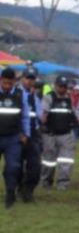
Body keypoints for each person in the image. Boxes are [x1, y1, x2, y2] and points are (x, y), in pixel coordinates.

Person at [40, 75, 77, 190]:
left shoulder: (68, 99)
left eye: (65, 87)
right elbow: (43, 113)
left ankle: (63, 183)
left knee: (66, 159)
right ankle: (46, 181)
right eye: (61, 86)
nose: (63, 89)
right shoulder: (48, 97)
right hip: (50, 134)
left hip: (66, 134)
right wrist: (43, 120)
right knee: (48, 161)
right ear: (55, 86)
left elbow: (73, 113)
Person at [0, 67, 30, 208]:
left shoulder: (20, 94)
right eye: (4, 83)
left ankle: (10, 194)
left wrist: (26, 134)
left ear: (13, 82)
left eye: (9, 83)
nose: (7, 86)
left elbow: (25, 117)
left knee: (13, 167)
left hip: (13, 138)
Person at [16, 67, 42, 202]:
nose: (30, 81)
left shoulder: (34, 96)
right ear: (22, 79)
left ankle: (28, 190)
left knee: (35, 166)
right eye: (28, 78)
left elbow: (39, 115)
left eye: (32, 79)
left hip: (33, 135)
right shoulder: (16, 94)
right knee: (17, 166)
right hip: (18, 135)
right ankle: (20, 188)